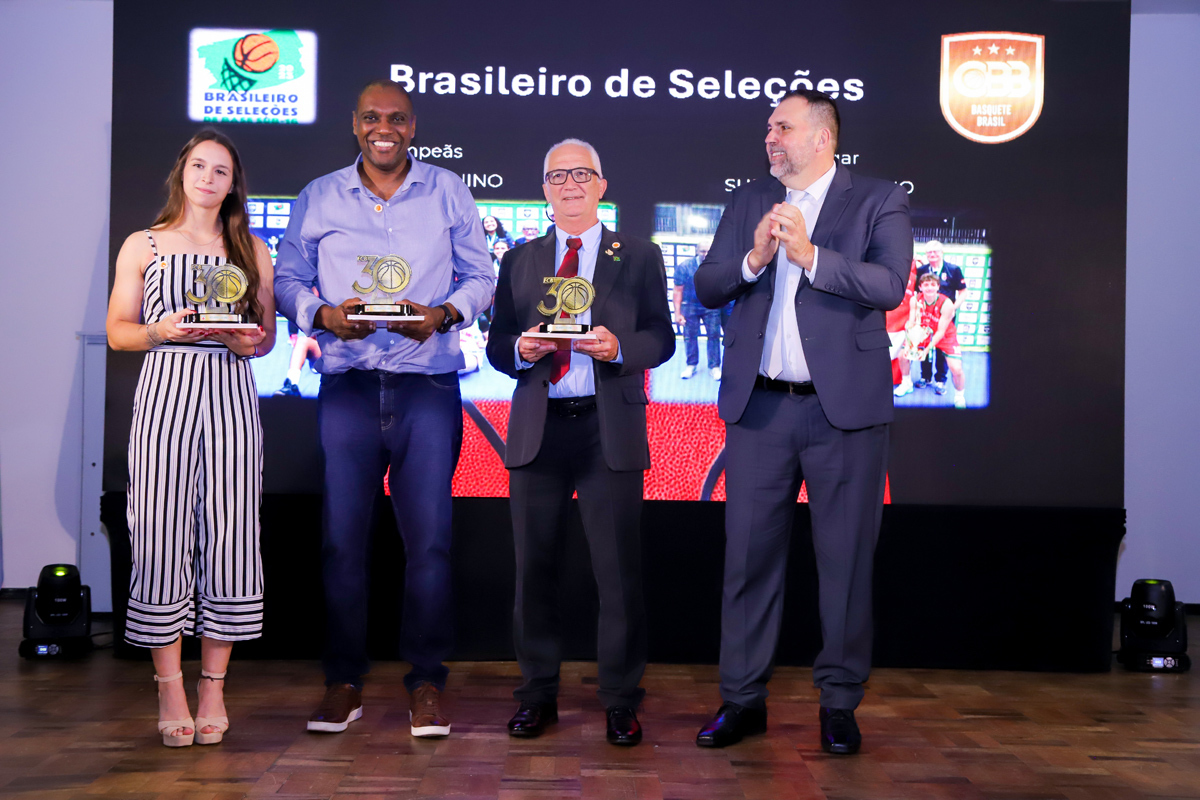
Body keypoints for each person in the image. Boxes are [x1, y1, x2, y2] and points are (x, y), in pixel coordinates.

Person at [273, 80, 494, 738]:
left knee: (430, 544)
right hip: (348, 384)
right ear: (355, 124)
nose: (384, 128)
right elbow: (287, 278)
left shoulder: (448, 191)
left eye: (396, 118)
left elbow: (481, 276)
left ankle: (426, 682)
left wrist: (445, 313)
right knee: (342, 543)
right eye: (372, 117)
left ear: (413, 126)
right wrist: (321, 315)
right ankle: (344, 681)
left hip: (428, 385)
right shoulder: (319, 195)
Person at [693, 90, 911, 754]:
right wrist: (755, 259)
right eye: (768, 127)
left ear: (822, 137)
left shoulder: (877, 199)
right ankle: (741, 700)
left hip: (842, 413)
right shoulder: (748, 202)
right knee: (748, 560)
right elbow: (708, 285)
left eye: (782, 127)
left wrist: (812, 256)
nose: (770, 136)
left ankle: (839, 705)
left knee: (844, 564)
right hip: (760, 410)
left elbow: (890, 285)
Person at [485, 139, 674, 746]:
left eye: (581, 174)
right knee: (533, 570)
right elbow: (497, 344)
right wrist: (521, 349)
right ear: (544, 189)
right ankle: (537, 695)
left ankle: (620, 699)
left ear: (601, 184)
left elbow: (661, 337)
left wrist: (619, 348)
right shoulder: (519, 259)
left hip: (606, 429)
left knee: (617, 574)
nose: (569, 184)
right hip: (539, 429)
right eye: (557, 176)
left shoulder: (638, 255)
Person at [106, 129, 276, 747]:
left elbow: (265, 338)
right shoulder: (144, 244)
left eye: (220, 170)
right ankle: (169, 685)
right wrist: (163, 330)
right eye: (199, 165)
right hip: (164, 396)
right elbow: (118, 331)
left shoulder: (251, 248)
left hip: (231, 396)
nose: (208, 177)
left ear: (233, 185)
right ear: (182, 172)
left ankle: (213, 685)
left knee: (231, 533)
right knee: (159, 531)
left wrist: (240, 338)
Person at [908, 272, 967, 407]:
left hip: (945, 335)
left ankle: (959, 397)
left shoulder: (947, 303)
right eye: (926, 285)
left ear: (938, 287)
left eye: (933, 285)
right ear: (920, 287)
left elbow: (940, 332)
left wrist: (926, 350)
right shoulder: (915, 300)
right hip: (924, 332)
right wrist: (910, 338)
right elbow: (911, 323)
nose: (929, 288)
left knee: (956, 369)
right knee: (902, 356)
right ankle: (906, 383)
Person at [914, 240, 966, 392]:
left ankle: (940, 380)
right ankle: (925, 377)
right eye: (929, 252)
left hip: (945, 318)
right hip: (927, 316)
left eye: (935, 252)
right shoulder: (922, 270)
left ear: (942, 253)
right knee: (924, 345)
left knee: (941, 349)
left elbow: (963, 291)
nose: (932, 255)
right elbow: (918, 292)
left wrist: (953, 307)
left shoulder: (953, 270)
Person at [672, 242, 723, 380]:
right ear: (697, 251)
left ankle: (714, 367)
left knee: (714, 336)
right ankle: (691, 365)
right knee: (689, 336)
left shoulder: (718, 266)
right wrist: (677, 313)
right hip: (690, 306)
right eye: (702, 251)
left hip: (711, 305)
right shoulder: (684, 267)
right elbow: (677, 291)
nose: (705, 254)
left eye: (708, 251)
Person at [889, 260, 920, 397]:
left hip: (905, 321)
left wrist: (911, 323)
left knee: (902, 354)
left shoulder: (916, 275)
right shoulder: (886, 272)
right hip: (887, 319)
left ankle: (904, 381)